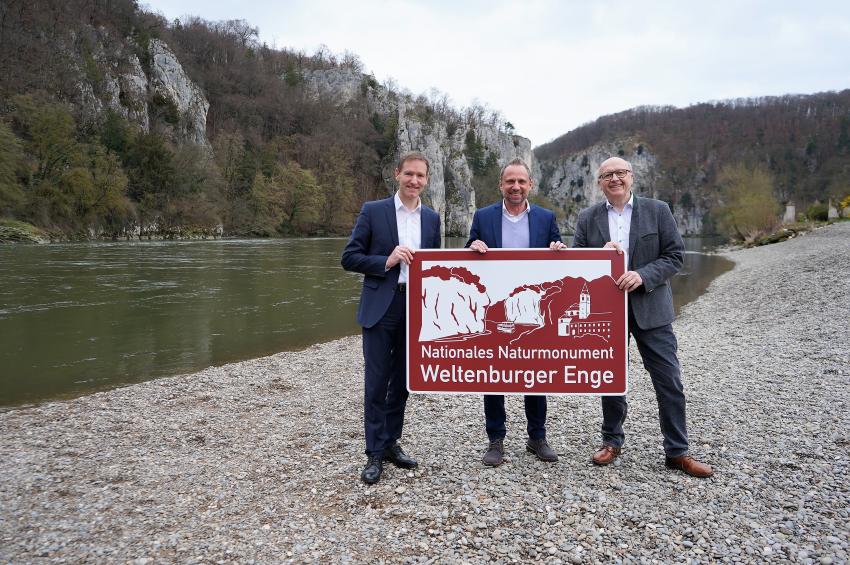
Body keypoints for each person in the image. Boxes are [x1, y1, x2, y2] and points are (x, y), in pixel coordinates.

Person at [572, 156, 714, 478]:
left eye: (620, 173)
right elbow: (579, 264)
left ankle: (677, 452)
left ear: (631, 177)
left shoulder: (658, 210)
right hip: (607, 313)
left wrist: (643, 275)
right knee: (611, 380)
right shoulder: (587, 217)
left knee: (669, 380)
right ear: (600, 183)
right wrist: (598, 257)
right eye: (607, 175)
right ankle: (612, 441)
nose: (615, 179)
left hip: (652, 310)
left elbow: (674, 256)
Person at [341, 151, 442, 485]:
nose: (414, 181)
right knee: (376, 381)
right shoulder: (374, 211)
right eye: (409, 174)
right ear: (397, 173)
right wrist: (387, 260)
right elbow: (350, 257)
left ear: (427, 180)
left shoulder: (432, 218)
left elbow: (437, 268)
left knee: (402, 382)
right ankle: (373, 452)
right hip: (381, 306)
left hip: (416, 309)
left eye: (421, 176)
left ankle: (391, 443)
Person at [466, 157, 566, 466]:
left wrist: (558, 250)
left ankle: (537, 437)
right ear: (501, 185)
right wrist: (473, 246)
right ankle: (495, 440)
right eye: (510, 181)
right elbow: (471, 247)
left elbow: (559, 251)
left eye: (521, 181)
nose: (516, 186)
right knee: (492, 372)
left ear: (530, 185)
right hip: (498, 304)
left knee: (535, 371)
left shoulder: (546, 217)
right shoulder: (483, 216)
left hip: (532, 305)